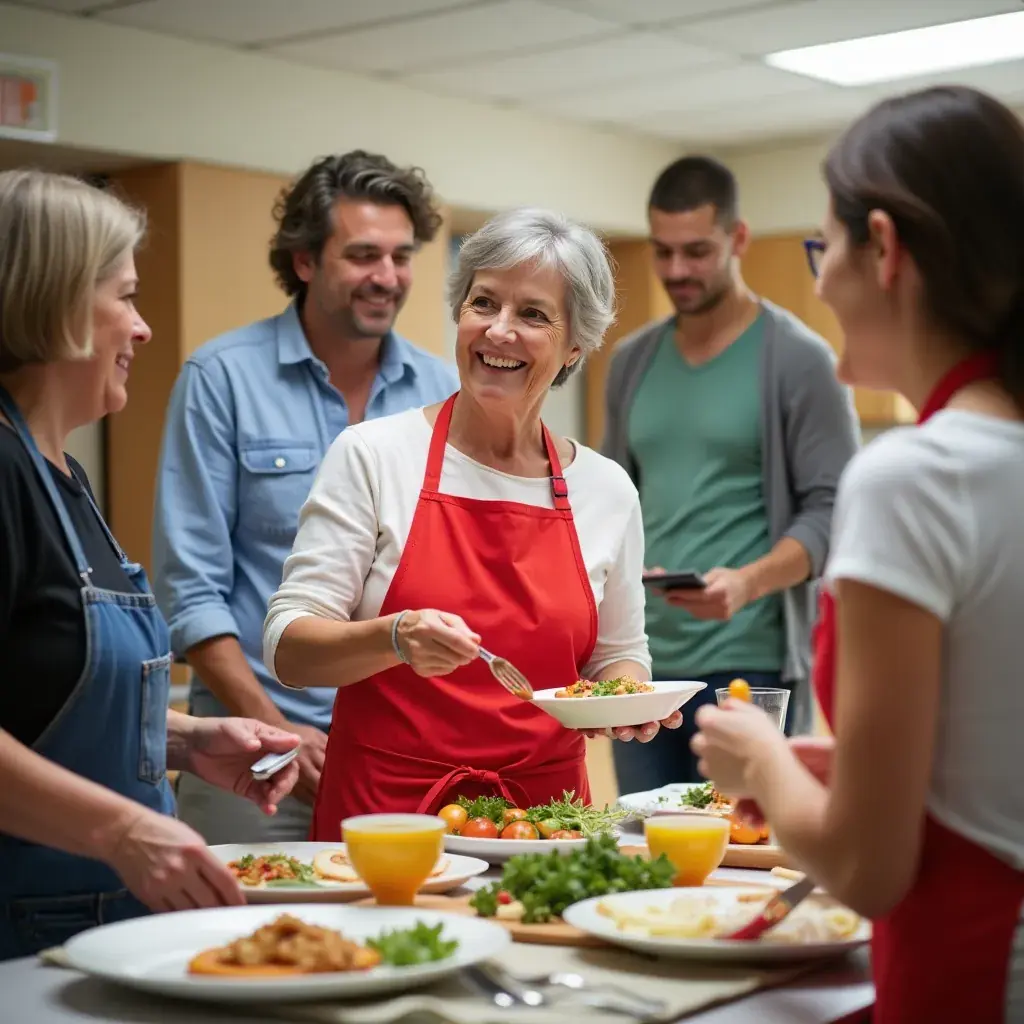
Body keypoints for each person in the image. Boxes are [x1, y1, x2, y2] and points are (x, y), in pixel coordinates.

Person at [692, 86, 1024, 1024]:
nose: (822, 280)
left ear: (883, 247)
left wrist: (762, 761)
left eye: (823, 248)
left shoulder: (914, 476)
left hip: (976, 969)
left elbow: (867, 870)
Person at [263, 207, 683, 833]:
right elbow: (289, 649)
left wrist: (626, 699)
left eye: (533, 314)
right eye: (484, 303)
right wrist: (393, 638)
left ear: (575, 346)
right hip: (389, 822)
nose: (499, 330)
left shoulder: (606, 489)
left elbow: (619, 654)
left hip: (546, 825)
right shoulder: (375, 455)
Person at [0, 169, 300, 961]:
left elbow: (40, 698)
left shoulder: (62, 474)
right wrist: (123, 830)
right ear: (59, 301)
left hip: (98, 922)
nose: (143, 328)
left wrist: (186, 741)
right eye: (126, 297)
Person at [152, 151, 459, 844]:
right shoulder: (221, 379)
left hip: (406, 748)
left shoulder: (443, 392)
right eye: (362, 255)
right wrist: (278, 730)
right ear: (304, 261)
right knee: (245, 913)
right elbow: (192, 594)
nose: (387, 277)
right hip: (251, 750)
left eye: (401, 256)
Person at [602, 155, 859, 790]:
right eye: (663, 251)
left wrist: (747, 583)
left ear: (738, 238)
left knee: (745, 836)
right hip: (642, 667)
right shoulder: (632, 361)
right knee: (641, 839)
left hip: (750, 665)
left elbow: (835, 511)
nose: (676, 271)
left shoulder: (800, 361)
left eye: (697, 251)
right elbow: (610, 502)